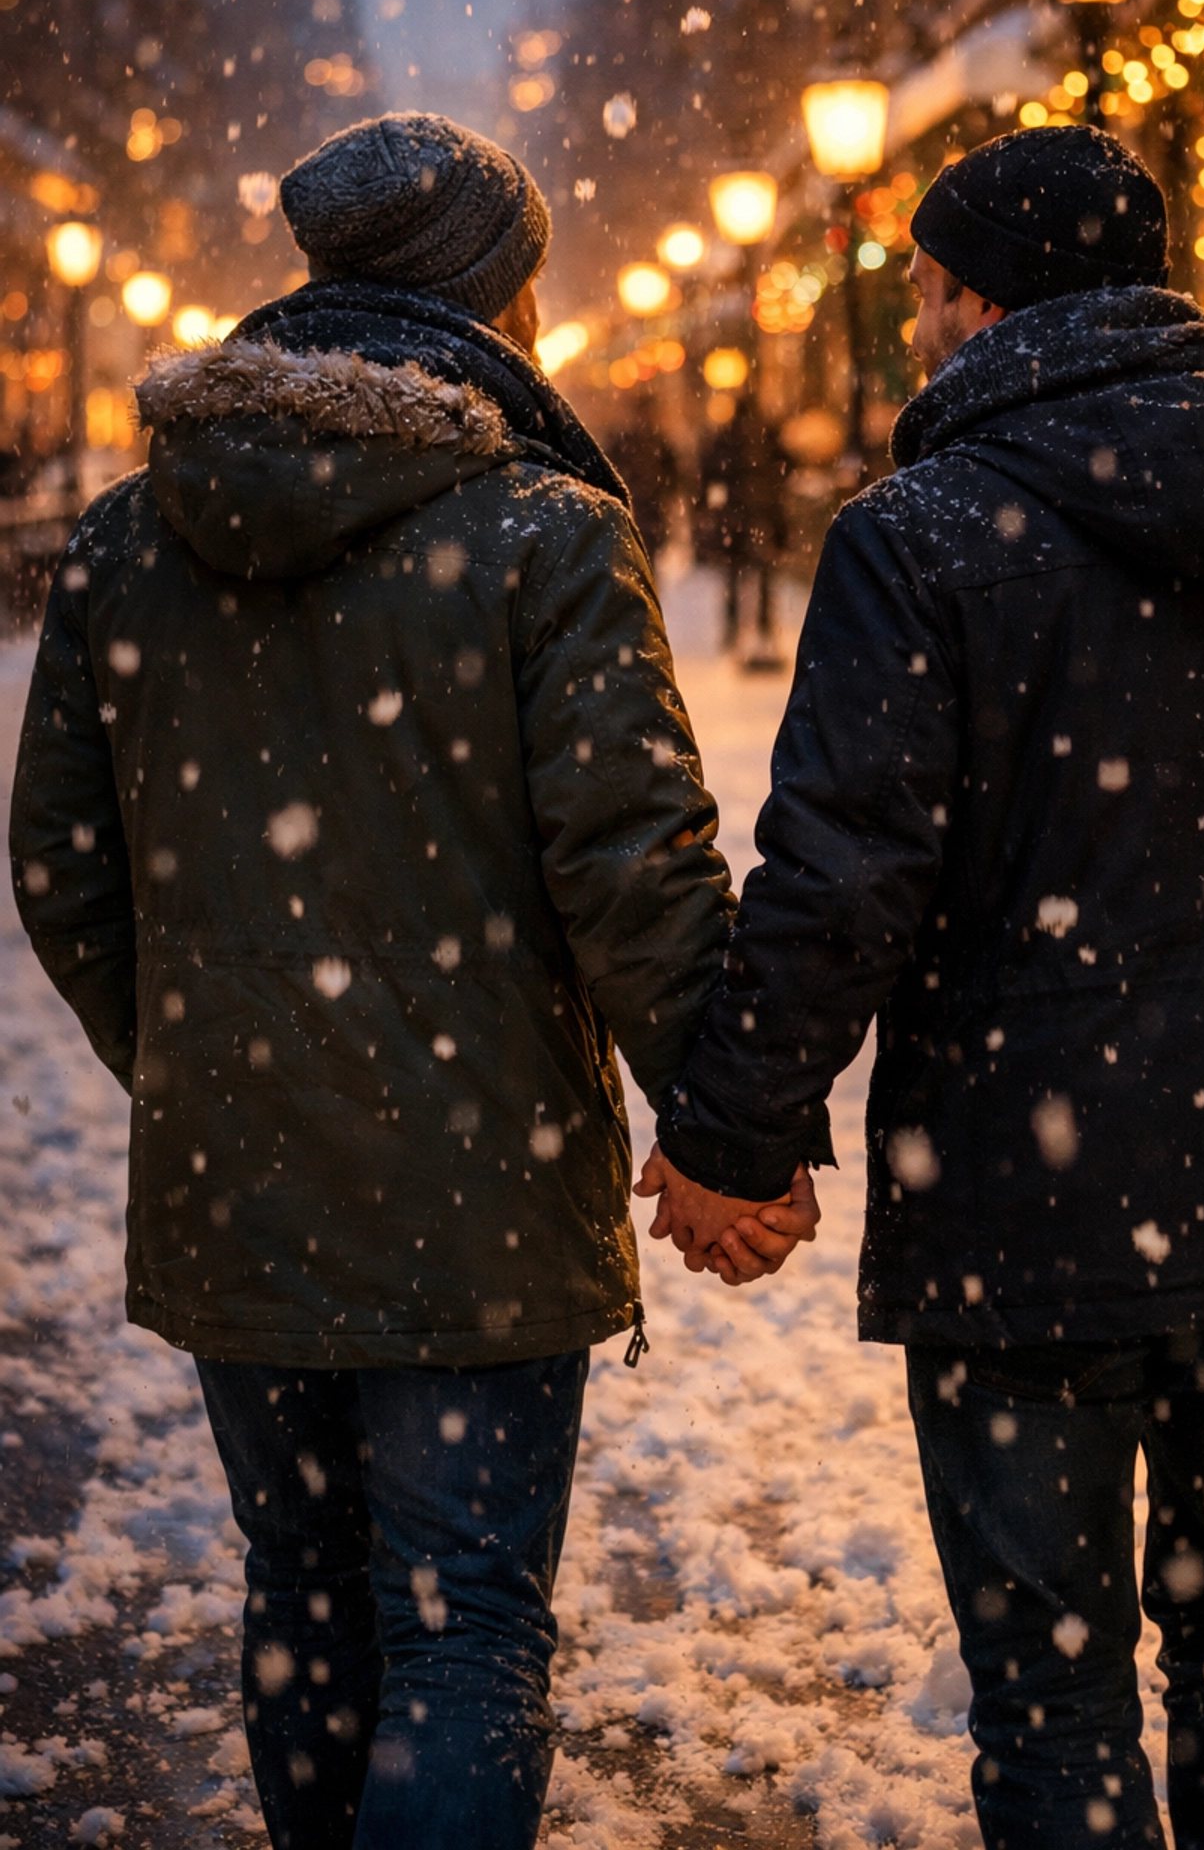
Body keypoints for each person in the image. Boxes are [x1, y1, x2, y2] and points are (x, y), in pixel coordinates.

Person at [639, 125, 1204, 1849]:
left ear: (978, 293)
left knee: (1050, 1680)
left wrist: (735, 1129)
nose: (912, 324)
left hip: (1021, 1206)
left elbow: (840, 870)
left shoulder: (918, 535)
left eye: (921, 289)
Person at [9, 112, 816, 1850]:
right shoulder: (544, 534)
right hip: (481, 1181)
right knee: (461, 1624)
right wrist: (727, 1128)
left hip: (241, 1173)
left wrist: (202, 1052)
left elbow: (64, 867)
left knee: (302, 1592)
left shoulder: (134, 537)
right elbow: (636, 866)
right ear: (506, 296)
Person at [692, 390, 788, 665]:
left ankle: (733, 628)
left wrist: (706, 504)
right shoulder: (765, 434)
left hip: (736, 516)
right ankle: (763, 628)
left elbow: (708, 471)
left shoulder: (726, 436)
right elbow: (784, 467)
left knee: (734, 573)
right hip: (762, 513)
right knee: (764, 573)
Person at [606, 386, 681, 563]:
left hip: (637, 508)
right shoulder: (657, 442)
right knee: (646, 558)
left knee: (634, 558)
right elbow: (673, 476)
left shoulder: (625, 441)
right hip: (645, 508)